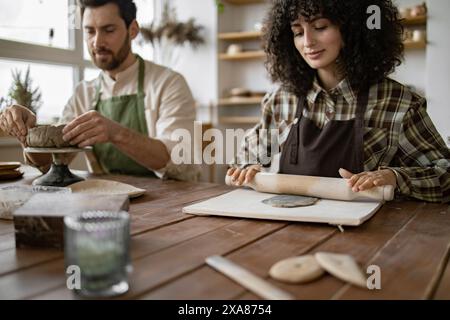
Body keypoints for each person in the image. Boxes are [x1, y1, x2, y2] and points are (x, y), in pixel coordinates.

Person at [227, 0, 449, 203]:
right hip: (288, 230)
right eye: (297, 32)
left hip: (368, 235)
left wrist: (394, 177)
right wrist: (247, 168)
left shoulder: (397, 102)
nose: (307, 42)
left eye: (320, 27)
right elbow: (246, 158)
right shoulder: (280, 100)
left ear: (352, 28)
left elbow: (445, 174)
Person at [0, 0, 198, 181]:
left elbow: (178, 162)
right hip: (106, 203)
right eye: (90, 31)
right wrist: (28, 133)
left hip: (171, 202)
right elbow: (52, 163)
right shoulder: (83, 94)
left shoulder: (169, 83)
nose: (97, 42)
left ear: (133, 30)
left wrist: (117, 134)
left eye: (108, 30)